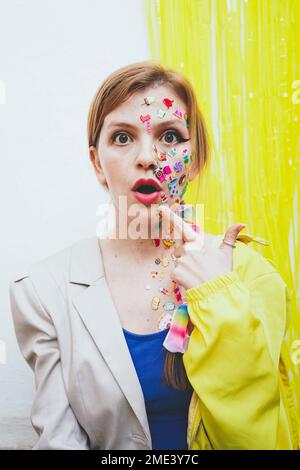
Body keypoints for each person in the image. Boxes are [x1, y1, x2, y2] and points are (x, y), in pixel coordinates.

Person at [9, 61, 298, 450]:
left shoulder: (251, 276)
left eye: (170, 136)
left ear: (194, 161)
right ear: (97, 163)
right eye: (124, 138)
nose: (148, 157)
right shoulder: (44, 291)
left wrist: (219, 295)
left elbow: (259, 437)